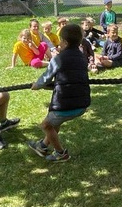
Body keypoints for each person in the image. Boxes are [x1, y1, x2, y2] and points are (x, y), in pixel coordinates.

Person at [28, 23, 91, 162]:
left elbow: (45, 78)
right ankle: (42, 146)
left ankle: (61, 153)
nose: (59, 43)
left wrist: (36, 85)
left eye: (61, 40)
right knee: (55, 123)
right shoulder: (81, 57)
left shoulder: (58, 59)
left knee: (46, 125)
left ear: (65, 42)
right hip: (82, 104)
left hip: (65, 105)